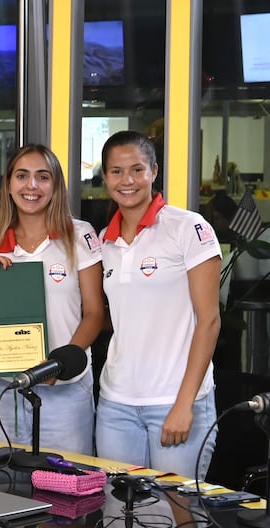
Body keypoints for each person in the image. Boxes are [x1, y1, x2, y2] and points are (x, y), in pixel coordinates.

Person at [95, 130, 221, 480]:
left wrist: (184, 404)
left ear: (154, 171)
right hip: (116, 404)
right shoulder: (105, 242)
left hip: (176, 401)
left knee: (180, 522)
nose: (127, 180)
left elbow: (209, 320)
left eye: (137, 169)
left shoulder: (187, 228)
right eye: (117, 171)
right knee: (119, 518)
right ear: (105, 177)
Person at [0, 144, 104, 455]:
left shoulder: (80, 236)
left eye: (42, 177)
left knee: (66, 490)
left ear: (55, 185)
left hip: (66, 391)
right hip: (6, 390)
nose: (31, 186)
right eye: (22, 176)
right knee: (3, 487)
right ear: (8, 184)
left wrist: (58, 365)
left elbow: (94, 313)